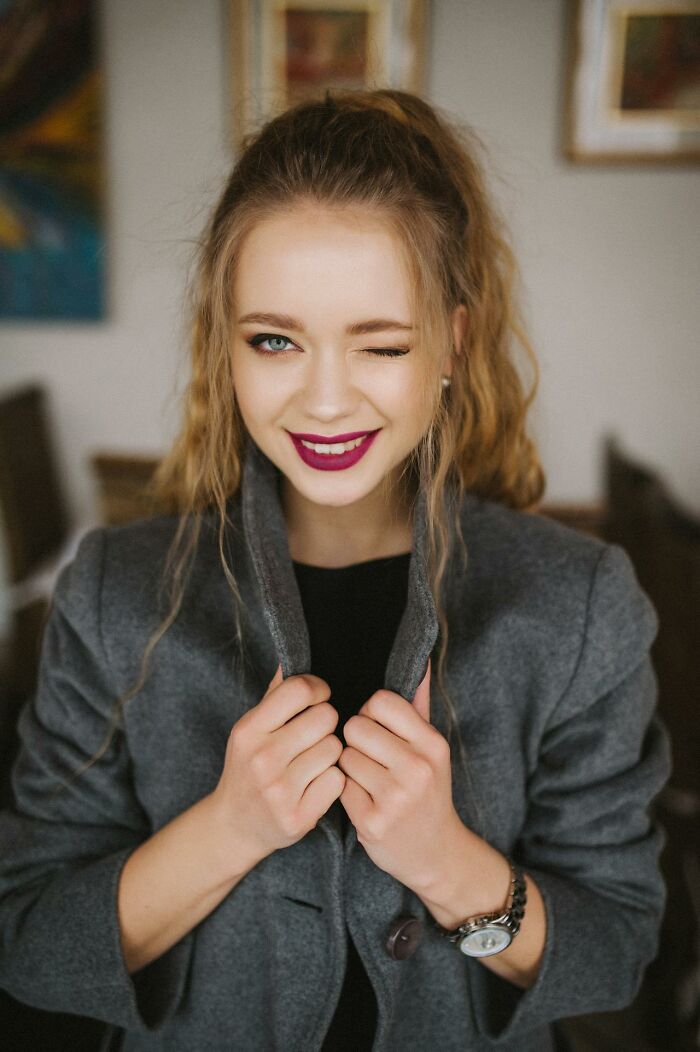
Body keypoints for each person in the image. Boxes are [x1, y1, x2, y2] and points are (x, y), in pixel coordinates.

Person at [0, 88, 671, 1052]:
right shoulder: (115, 591)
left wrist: (449, 864)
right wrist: (228, 828)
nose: (323, 401)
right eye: (274, 340)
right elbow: (30, 941)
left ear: (453, 342)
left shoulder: (578, 604)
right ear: (224, 346)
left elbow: (615, 949)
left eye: (382, 344)